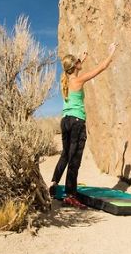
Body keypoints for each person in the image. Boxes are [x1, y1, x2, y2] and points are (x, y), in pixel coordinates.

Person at [50, 43, 117, 208]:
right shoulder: (78, 80)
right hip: (76, 122)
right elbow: (101, 68)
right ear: (75, 67)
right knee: (75, 160)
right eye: (78, 61)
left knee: (65, 155)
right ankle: (70, 196)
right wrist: (111, 53)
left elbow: (72, 69)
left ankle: (53, 184)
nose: (80, 62)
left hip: (65, 121)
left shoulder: (65, 80)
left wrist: (82, 58)